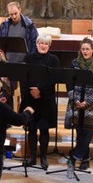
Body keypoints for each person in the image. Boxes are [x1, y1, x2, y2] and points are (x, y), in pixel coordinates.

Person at [21, 34, 59, 170]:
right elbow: (23, 77)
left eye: (46, 44)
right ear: (36, 44)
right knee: (31, 128)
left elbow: (53, 79)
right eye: (41, 43)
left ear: (49, 46)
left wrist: (40, 91)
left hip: (46, 99)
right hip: (30, 99)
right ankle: (32, 157)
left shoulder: (54, 60)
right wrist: (32, 90)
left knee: (44, 129)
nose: (43, 46)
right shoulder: (28, 58)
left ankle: (43, 156)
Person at [68, 38, 93, 170]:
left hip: (92, 103)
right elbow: (69, 82)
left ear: (92, 50)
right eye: (83, 49)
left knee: (88, 131)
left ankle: (75, 156)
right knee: (80, 132)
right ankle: (85, 159)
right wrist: (75, 99)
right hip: (77, 102)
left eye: (87, 49)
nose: (85, 51)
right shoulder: (74, 63)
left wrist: (88, 101)